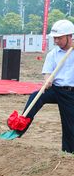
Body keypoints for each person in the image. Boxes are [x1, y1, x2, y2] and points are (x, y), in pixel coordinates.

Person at [17, 19, 74, 152]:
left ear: (69, 36)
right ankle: (19, 129)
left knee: (69, 124)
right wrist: (47, 79)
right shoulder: (52, 54)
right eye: (54, 38)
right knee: (36, 96)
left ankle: (68, 152)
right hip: (56, 90)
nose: (56, 41)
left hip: (71, 93)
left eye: (59, 38)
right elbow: (47, 72)